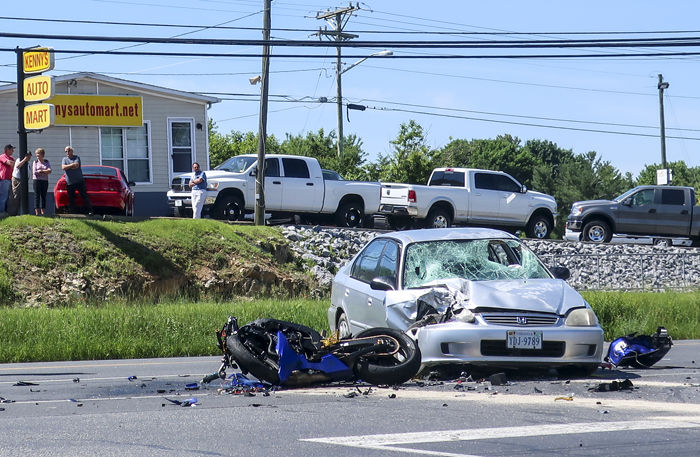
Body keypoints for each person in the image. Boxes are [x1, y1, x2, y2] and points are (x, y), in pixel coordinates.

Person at [61, 145, 93, 216]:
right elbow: (63, 167)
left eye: (69, 150)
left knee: (84, 196)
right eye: (66, 151)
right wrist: (71, 165)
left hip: (79, 181)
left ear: (72, 151)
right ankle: (73, 213)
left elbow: (76, 165)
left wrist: (69, 166)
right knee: (71, 198)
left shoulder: (76, 157)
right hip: (69, 182)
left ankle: (90, 211)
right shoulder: (64, 159)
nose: (67, 152)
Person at [8, 149, 32, 216]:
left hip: (24, 181)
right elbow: (18, 166)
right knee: (16, 196)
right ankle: (12, 213)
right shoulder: (19, 160)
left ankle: (21, 212)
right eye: (28, 156)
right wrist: (24, 159)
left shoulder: (28, 163)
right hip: (17, 180)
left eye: (30, 155)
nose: (29, 157)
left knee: (23, 197)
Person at [32, 148, 51, 215]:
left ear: (42, 154)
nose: (37, 155)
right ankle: (37, 211)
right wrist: (45, 172)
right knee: (37, 195)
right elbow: (35, 172)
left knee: (43, 195)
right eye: (36, 154)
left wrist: (41, 171)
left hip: (44, 181)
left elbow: (50, 170)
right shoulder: (35, 162)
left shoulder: (46, 161)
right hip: (37, 181)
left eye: (38, 153)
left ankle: (43, 211)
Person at [0, 144, 15, 213]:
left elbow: (14, 165)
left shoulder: (11, 158)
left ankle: (6, 211)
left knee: (9, 197)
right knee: (4, 196)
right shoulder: (2, 156)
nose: (13, 151)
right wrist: (13, 163)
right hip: (4, 179)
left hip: (11, 179)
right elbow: (10, 163)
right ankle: (2, 212)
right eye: (11, 149)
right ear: (7, 150)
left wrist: (13, 163)